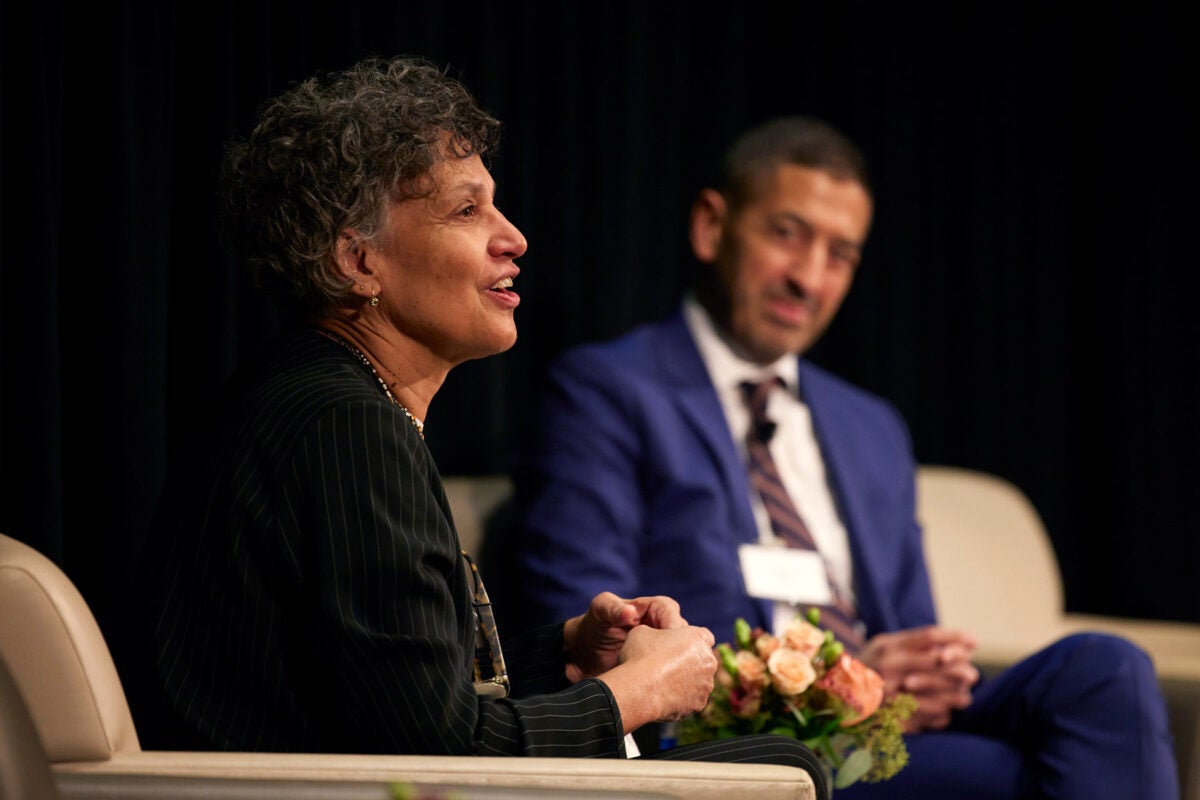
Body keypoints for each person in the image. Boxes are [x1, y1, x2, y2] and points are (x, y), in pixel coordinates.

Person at [130, 55, 827, 794]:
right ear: (358, 261)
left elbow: (390, 698)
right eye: (467, 212)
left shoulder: (319, 396)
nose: (514, 238)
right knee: (785, 768)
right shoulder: (346, 427)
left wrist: (563, 654)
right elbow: (444, 758)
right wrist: (639, 694)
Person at [509, 115, 1179, 798]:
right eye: (787, 234)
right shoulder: (607, 391)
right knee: (1034, 776)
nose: (810, 277)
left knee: (1107, 668)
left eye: (840, 255)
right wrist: (841, 678)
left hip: (884, 729)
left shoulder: (870, 425)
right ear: (712, 226)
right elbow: (588, 635)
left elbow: (913, 633)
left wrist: (917, 674)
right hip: (741, 742)